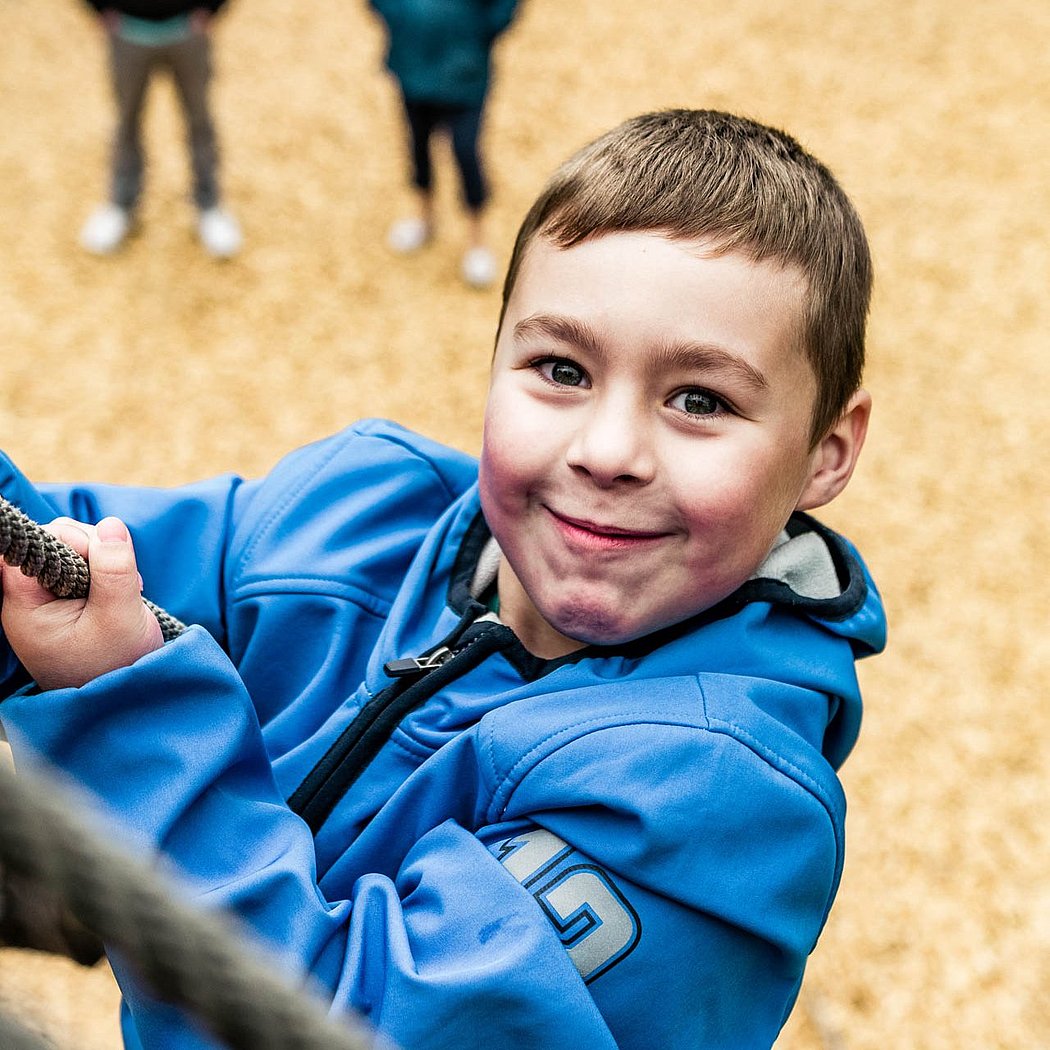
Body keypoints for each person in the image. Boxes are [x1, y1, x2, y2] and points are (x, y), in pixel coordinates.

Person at [0, 109, 886, 1049]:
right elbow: (52, 571)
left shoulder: (714, 800)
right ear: (495, 358)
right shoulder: (358, 515)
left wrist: (121, 697)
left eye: (699, 400)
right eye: (561, 368)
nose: (609, 450)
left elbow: (325, 1023)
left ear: (827, 451)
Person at [369, 0, 518, 288]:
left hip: (464, 72)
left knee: (465, 151)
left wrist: (478, 33)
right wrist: (400, 21)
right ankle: (424, 218)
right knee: (418, 146)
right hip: (412, 66)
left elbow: (503, 8)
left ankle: (477, 241)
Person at [78, 0, 243, 258]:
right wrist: (99, 9)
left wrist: (212, 9)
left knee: (199, 122)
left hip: (187, 30)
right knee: (127, 122)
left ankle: (210, 205)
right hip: (128, 30)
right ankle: (121, 204)